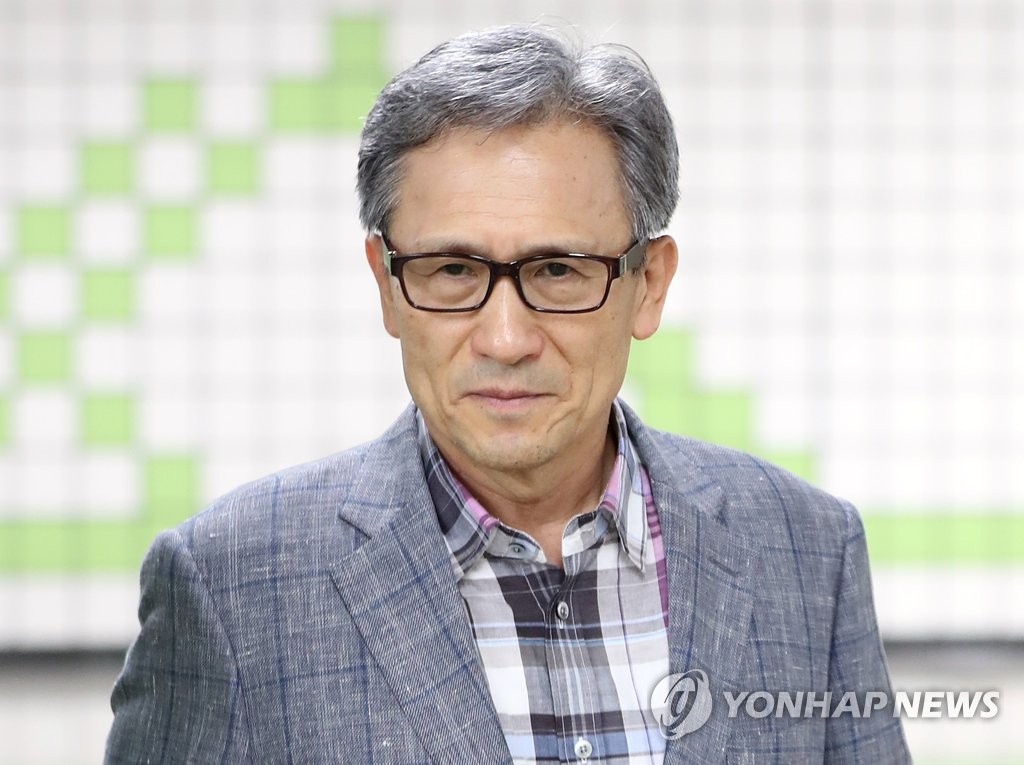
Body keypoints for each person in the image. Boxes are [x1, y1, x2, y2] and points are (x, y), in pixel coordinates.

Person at [106, 24, 909, 764]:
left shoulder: (808, 550)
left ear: (650, 285)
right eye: (452, 270)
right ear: (387, 286)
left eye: (557, 270)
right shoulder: (228, 588)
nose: (505, 337)